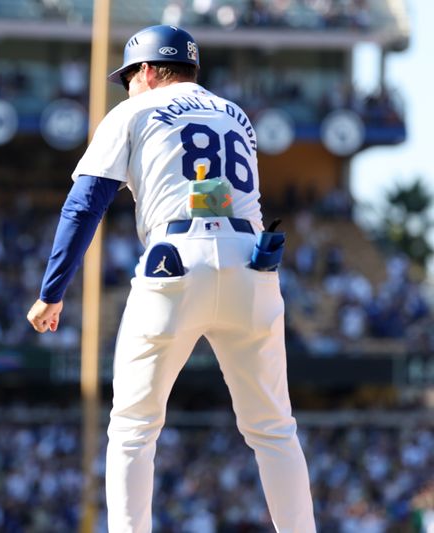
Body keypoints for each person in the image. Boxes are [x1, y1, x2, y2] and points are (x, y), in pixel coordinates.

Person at [26, 25, 316, 532]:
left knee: (134, 428)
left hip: (177, 262)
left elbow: (85, 204)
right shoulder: (235, 112)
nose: (127, 87)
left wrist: (52, 291)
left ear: (149, 70)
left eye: (129, 77)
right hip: (254, 263)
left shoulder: (135, 110)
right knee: (274, 430)